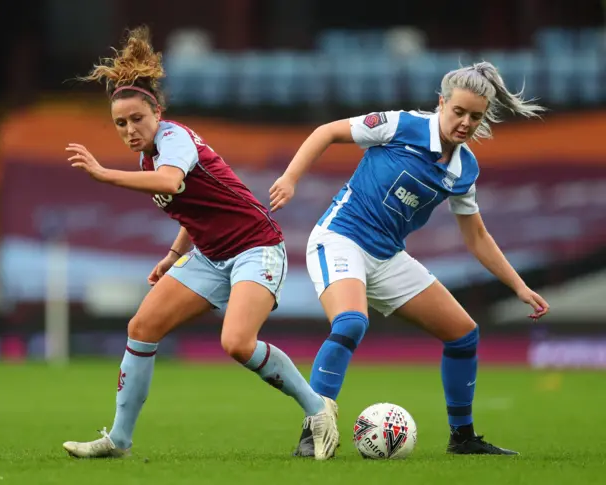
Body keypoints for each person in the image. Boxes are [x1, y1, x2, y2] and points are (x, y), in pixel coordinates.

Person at [61, 26, 339, 461]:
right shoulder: (148, 155)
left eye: (138, 119)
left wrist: (103, 174)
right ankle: (119, 440)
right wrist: (173, 255)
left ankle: (318, 411)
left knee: (238, 344)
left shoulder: (173, 139)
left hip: (256, 246)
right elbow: (193, 207)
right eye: (121, 123)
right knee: (142, 328)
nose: (131, 129)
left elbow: (172, 182)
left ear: (157, 113)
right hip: (211, 256)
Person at [269, 61, 550, 457]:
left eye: (475, 116)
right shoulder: (400, 125)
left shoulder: (464, 169)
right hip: (340, 238)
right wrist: (290, 179)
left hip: (387, 257)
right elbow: (326, 132)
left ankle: (462, 438)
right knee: (351, 322)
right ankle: (314, 430)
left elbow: (477, 236)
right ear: (441, 102)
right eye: (458, 111)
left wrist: (519, 286)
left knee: (463, 333)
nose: (466, 122)